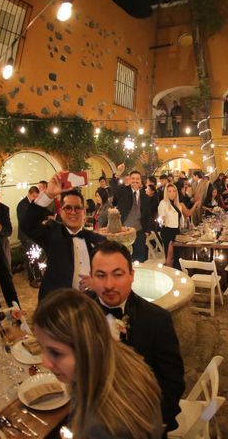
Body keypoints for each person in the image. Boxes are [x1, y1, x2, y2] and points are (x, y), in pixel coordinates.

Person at [33, 289, 163, 439]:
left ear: (87, 348)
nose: (45, 363)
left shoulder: (102, 426)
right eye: (40, 346)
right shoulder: (117, 354)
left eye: (56, 353)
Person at [85, 241, 185, 433]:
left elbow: (173, 381)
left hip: (141, 422)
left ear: (132, 275)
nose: (109, 285)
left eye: (118, 274)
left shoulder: (157, 319)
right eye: (100, 275)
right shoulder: (80, 312)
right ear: (91, 277)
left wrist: (149, 423)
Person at [21, 175, 106, 300]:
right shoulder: (52, 233)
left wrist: (97, 281)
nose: (73, 212)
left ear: (84, 211)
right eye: (67, 208)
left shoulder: (97, 240)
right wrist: (48, 194)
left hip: (88, 306)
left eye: (77, 207)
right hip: (57, 306)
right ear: (60, 211)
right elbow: (27, 225)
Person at [109, 164, 153, 262]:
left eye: (137, 179)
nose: (135, 181)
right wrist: (118, 173)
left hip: (139, 232)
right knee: (124, 259)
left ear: (141, 181)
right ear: (130, 180)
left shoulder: (144, 196)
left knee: (140, 259)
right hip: (124, 231)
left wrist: (147, 231)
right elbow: (113, 186)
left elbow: (148, 215)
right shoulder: (124, 191)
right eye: (133, 178)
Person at [16, 186, 40, 287]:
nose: (35, 198)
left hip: (33, 235)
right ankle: (32, 279)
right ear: (30, 194)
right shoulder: (22, 205)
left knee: (36, 257)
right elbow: (24, 222)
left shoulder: (33, 203)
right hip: (26, 236)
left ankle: (38, 277)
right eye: (34, 196)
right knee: (30, 257)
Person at [158, 184, 183, 268]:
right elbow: (161, 219)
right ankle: (169, 275)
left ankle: (177, 274)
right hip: (168, 232)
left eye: (174, 191)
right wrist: (162, 219)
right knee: (170, 258)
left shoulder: (177, 204)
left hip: (176, 232)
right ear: (166, 193)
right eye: (170, 191)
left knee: (177, 257)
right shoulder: (163, 203)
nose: (172, 193)